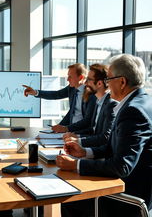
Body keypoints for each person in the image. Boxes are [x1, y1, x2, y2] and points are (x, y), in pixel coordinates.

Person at [56, 54, 152, 217]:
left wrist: (75, 165)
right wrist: (84, 152)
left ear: (122, 82)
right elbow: (113, 147)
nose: (106, 84)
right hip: (134, 185)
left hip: (130, 196)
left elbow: (122, 166)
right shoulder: (142, 101)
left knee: (69, 199)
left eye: (109, 79)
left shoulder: (132, 111)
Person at [23, 63, 96, 133]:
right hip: (70, 131)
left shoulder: (91, 94)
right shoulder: (72, 89)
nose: (67, 79)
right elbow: (56, 94)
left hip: (83, 132)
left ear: (81, 77)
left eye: (70, 77)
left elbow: (88, 121)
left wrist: (65, 128)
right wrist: (35, 92)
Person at [63, 63, 118, 147]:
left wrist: (78, 141)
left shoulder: (111, 104)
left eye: (88, 79)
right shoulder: (98, 102)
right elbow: (93, 130)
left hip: (101, 154)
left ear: (99, 83)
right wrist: (74, 135)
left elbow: (105, 137)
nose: (85, 83)